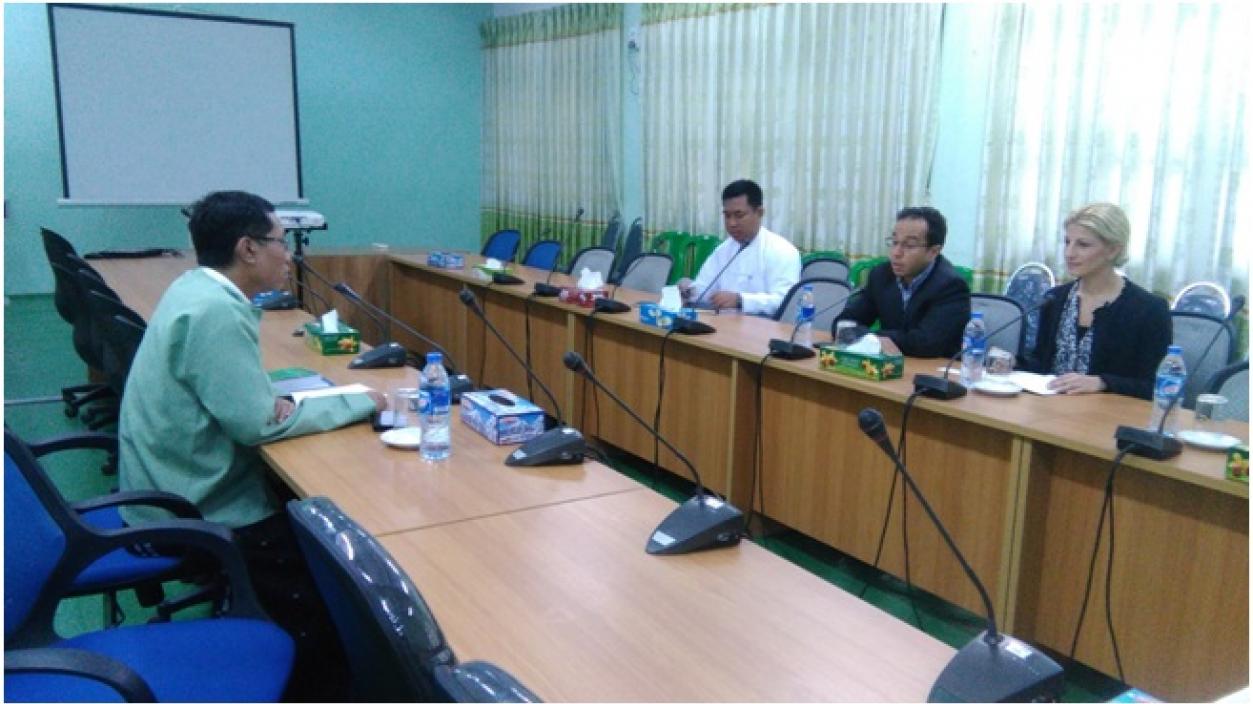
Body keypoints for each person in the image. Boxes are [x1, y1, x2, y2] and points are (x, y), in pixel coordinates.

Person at [118, 190, 386, 701]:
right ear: (248, 249)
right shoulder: (216, 311)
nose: (289, 256)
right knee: (333, 571)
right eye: (280, 243)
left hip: (164, 485)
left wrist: (265, 405)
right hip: (196, 507)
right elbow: (257, 425)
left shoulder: (194, 287)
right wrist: (359, 401)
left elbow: (248, 408)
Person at [1019, 202, 1170, 399]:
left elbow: (1155, 386)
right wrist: (1011, 364)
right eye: (1067, 242)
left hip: (1108, 413)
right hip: (1050, 407)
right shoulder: (1055, 299)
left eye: (1083, 245)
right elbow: (1041, 363)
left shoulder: (1149, 309)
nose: (1069, 253)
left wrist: (1102, 382)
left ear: (1113, 250)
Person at [833, 206, 970, 357]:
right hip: (889, 364)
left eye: (909, 245)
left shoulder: (951, 287)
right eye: (894, 242)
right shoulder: (881, 275)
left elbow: (926, 343)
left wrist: (871, 337)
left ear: (933, 252)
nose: (896, 253)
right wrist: (874, 338)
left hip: (932, 368)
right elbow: (844, 324)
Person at [677, 179, 800, 317]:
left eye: (739, 215)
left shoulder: (782, 251)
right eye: (727, 216)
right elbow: (705, 289)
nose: (732, 223)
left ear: (759, 212)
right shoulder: (723, 249)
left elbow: (786, 301)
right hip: (722, 324)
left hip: (761, 327)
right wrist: (689, 291)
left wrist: (741, 300)